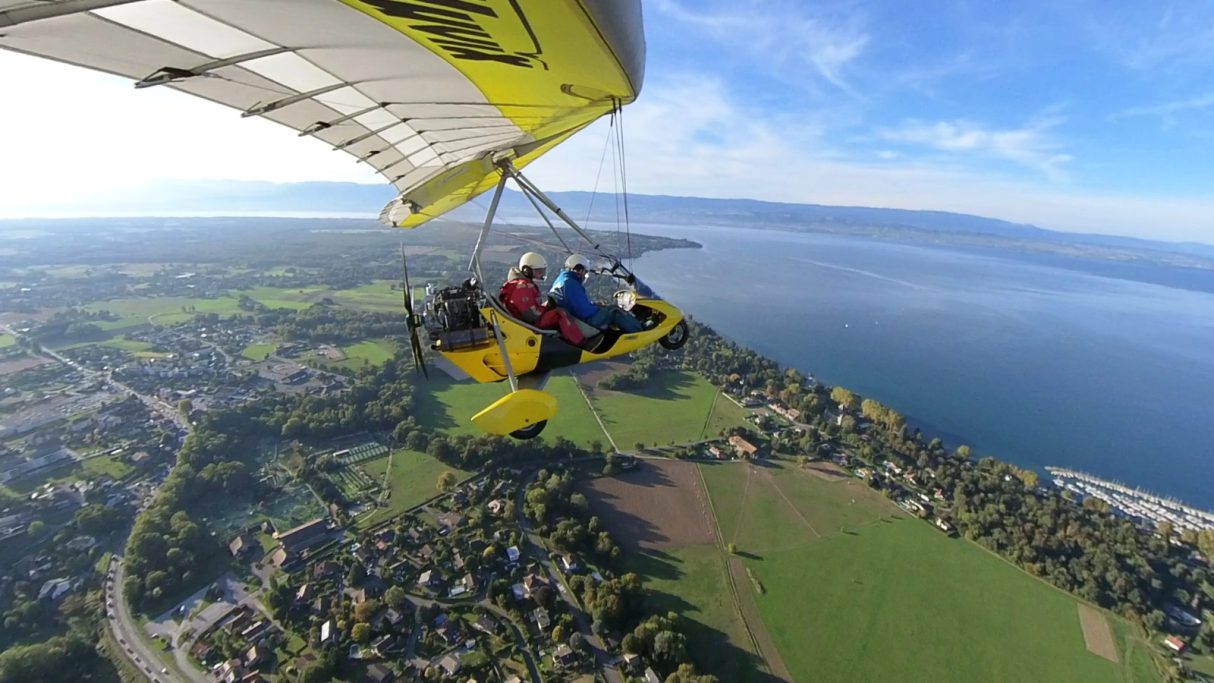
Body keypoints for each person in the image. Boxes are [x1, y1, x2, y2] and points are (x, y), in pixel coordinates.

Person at [500, 252, 602, 350]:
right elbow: (531, 315)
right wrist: (546, 307)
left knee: (557, 311)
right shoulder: (522, 287)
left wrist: (545, 306)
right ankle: (581, 343)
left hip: (521, 321)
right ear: (527, 270)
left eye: (542, 271)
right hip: (528, 324)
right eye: (538, 271)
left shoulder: (519, 284)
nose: (541, 274)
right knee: (559, 313)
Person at [549, 254, 646, 333]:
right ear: (579, 269)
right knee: (614, 310)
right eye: (585, 272)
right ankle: (641, 330)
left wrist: (594, 305)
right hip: (584, 322)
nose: (585, 276)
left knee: (606, 310)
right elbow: (585, 312)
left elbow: (578, 304)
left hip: (575, 318)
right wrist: (597, 309)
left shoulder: (562, 280)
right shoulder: (571, 284)